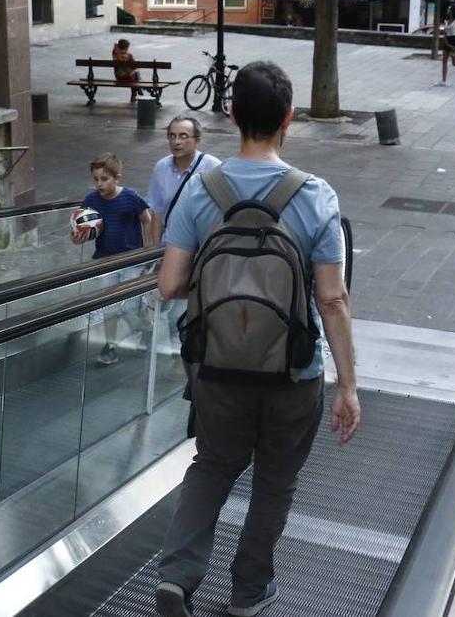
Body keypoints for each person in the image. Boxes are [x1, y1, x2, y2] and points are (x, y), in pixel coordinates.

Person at [153, 61, 360, 617]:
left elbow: (169, 285)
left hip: (217, 368)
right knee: (275, 481)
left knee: (212, 465)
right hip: (294, 372)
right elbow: (332, 300)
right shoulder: (316, 195)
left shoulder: (201, 191)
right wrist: (348, 385)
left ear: (231, 116)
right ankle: (247, 592)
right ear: (289, 118)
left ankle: (176, 576)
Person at [146, 117, 222, 352]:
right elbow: (157, 213)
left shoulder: (212, 167)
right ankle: (172, 352)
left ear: (197, 140)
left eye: (183, 136)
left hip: (200, 249)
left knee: (189, 306)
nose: (176, 141)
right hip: (171, 247)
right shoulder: (162, 167)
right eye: (172, 135)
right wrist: (153, 252)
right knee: (167, 301)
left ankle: (189, 352)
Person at [72, 153, 153, 364]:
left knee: (130, 307)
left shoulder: (130, 197)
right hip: (105, 261)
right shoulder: (91, 200)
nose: (99, 184)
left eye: (104, 179)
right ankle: (111, 346)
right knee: (110, 307)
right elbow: (81, 230)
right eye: (96, 179)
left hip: (131, 259)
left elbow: (147, 220)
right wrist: (78, 237)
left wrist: (148, 251)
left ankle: (147, 327)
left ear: (117, 178)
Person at [113, 38, 142, 104]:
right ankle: (135, 93)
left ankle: (138, 89)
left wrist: (116, 46)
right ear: (127, 47)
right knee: (136, 74)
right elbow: (135, 66)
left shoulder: (115, 55)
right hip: (128, 78)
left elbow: (114, 47)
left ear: (119, 46)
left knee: (134, 75)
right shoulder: (129, 56)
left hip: (118, 77)